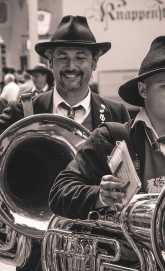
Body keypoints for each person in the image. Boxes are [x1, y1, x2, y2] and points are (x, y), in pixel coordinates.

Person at [0, 15, 130, 271]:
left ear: (94, 62)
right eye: (62, 57)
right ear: (49, 61)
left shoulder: (117, 114)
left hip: (101, 253)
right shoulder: (26, 109)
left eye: (80, 57)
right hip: (38, 251)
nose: (71, 66)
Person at [49, 35, 165, 220]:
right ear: (143, 90)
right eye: (164, 86)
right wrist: (100, 196)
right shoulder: (110, 138)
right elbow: (60, 193)